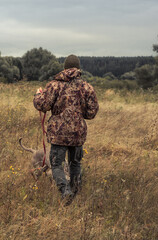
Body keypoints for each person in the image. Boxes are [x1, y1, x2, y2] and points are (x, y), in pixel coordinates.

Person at [33, 54, 99, 203]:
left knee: (56, 164)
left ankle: (65, 191)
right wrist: (78, 115)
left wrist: (37, 95)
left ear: (64, 67)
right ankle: (74, 194)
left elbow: (43, 105)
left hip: (58, 134)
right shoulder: (87, 87)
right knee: (75, 163)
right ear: (78, 68)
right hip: (78, 134)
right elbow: (92, 112)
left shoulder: (54, 85)